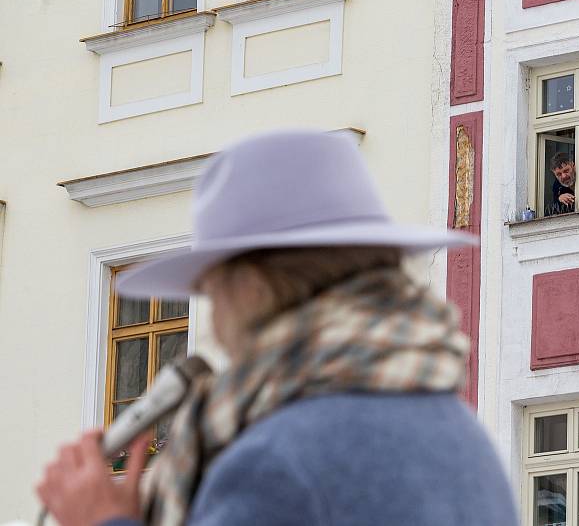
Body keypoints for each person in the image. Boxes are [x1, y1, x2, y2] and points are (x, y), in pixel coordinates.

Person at [35, 131, 518, 526]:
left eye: (211, 290)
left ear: (250, 288)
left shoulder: (274, 460)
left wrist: (100, 520)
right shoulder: (463, 439)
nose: (214, 325)